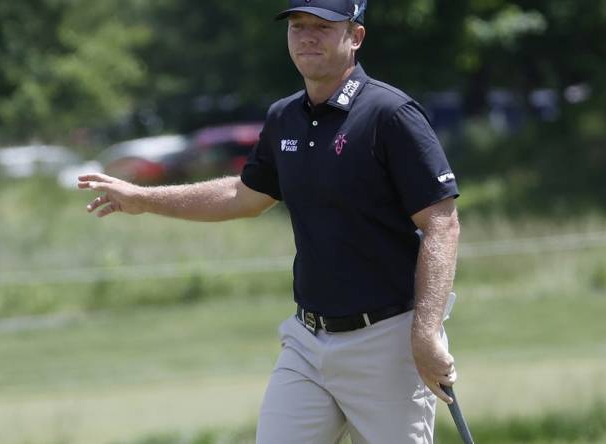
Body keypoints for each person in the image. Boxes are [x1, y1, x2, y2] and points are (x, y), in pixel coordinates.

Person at [78, 0, 460, 442]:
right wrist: (143, 199)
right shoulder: (285, 117)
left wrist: (426, 332)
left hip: (388, 343)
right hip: (308, 341)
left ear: (355, 38)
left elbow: (442, 223)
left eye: (322, 26)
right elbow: (242, 195)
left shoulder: (390, 115)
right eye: (298, 26)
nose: (307, 36)